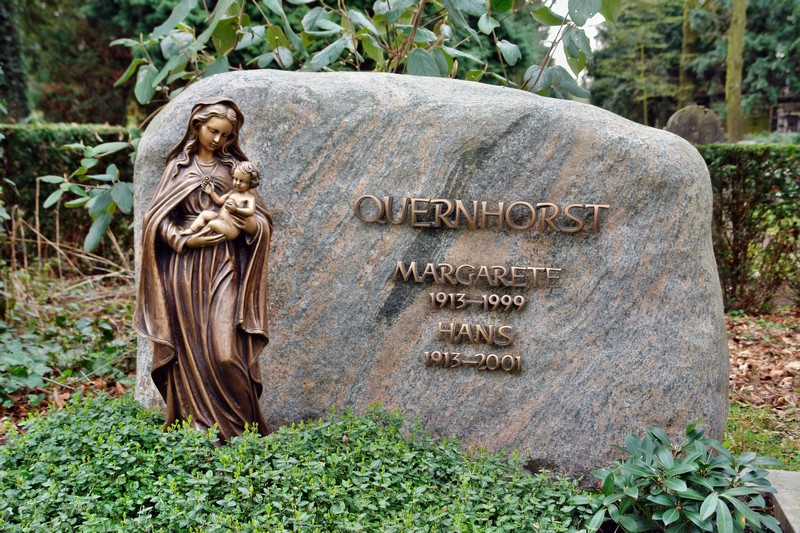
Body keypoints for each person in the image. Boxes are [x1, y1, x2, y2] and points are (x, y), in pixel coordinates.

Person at [134, 98, 271, 441]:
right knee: (189, 350)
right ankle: (198, 426)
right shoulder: (178, 169)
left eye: (225, 135)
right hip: (184, 270)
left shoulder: (234, 170)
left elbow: (261, 222)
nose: (218, 139)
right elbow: (156, 220)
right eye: (213, 131)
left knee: (226, 352)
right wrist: (182, 239)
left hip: (223, 265)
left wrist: (247, 224)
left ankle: (243, 431)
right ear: (197, 126)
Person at [179, 161, 260, 240]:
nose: (237, 183)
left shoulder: (249, 197)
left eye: (242, 181)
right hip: (220, 218)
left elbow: (250, 211)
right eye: (235, 179)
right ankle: (192, 230)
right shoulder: (232, 192)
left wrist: (236, 210)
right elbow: (219, 201)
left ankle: (201, 236)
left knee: (212, 224)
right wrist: (212, 193)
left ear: (251, 183)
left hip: (231, 227)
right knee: (204, 214)